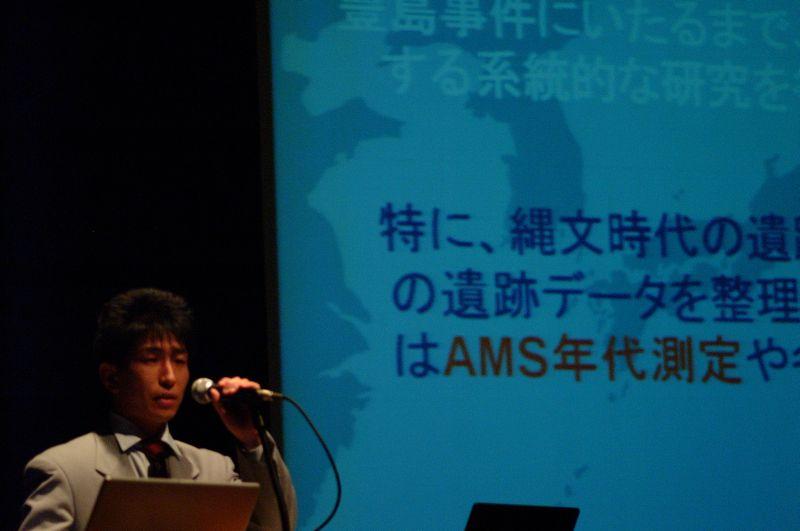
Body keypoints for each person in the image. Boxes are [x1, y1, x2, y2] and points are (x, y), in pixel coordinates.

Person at [19, 288, 297, 530]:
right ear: (111, 377)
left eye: (179, 360)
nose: (169, 377)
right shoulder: (65, 471)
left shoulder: (214, 471)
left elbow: (277, 527)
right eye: (151, 359)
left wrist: (252, 440)